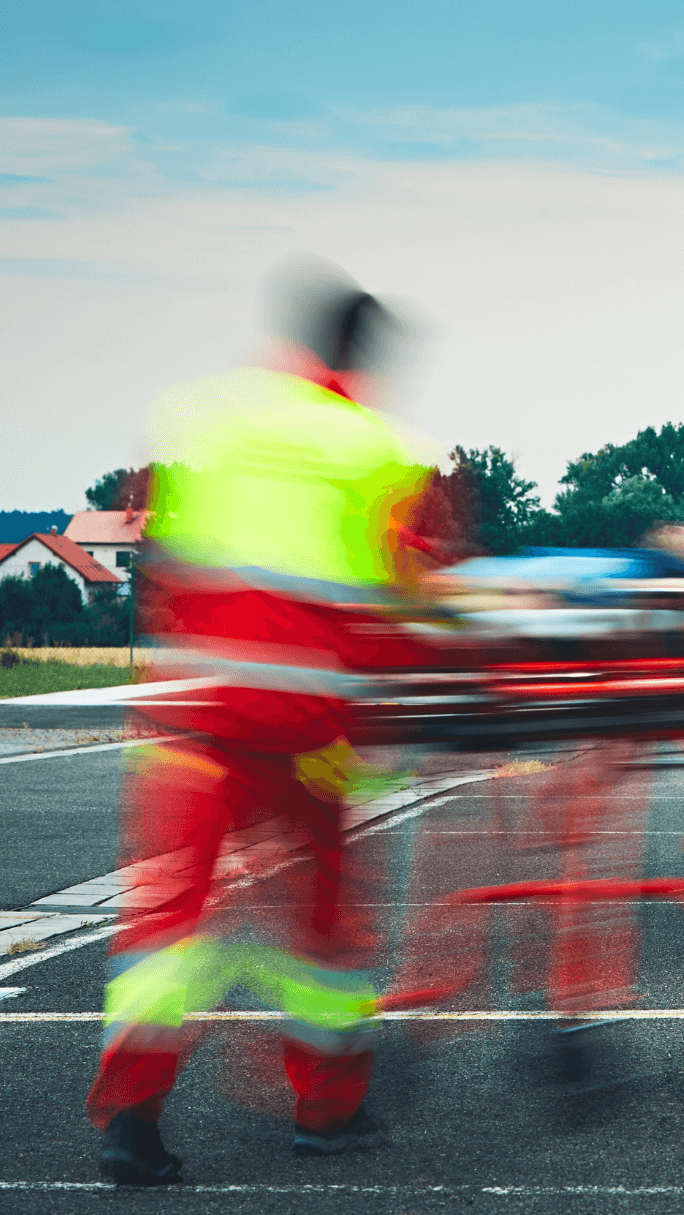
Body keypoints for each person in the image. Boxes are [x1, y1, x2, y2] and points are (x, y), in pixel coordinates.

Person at [85, 263, 435, 1185]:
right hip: (304, 730)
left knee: (167, 928)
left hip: (196, 717)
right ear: (362, 355)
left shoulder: (204, 418)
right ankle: (327, 1111)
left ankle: (131, 1117)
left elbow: (162, 553)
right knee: (323, 932)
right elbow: (394, 605)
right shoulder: (375, 451)